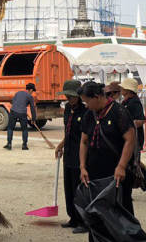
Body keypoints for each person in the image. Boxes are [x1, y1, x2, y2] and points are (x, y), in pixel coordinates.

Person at [78, 81, 136, 215]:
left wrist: (121, 166)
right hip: (94, 172)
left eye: (87, 101)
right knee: (97, 213)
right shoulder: (89, 115)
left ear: (97, 97)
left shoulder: (119, 112)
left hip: (116, 173)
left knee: (120, 211)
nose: (86, 105)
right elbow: (84, 142)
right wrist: (82, 167)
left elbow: (130, 140)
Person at [119, 78, 146, 204]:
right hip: (130, 138)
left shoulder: (134, 103)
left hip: (134, 139)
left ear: (127, 90)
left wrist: (127, 126)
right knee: (131, 165)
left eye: (123, 88)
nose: (121, 89)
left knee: (133, 166)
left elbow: (141, 120)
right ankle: (126, 191)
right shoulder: (127, 102)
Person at [54, 79, 87, 234]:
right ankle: (73, 217)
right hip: (68, 154)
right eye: (67, 96)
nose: (68, 99)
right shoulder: (67, 108)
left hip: (80, 156)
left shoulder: (85, 111)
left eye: (71, 96)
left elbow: (84, 138)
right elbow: (68, 132)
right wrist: (61, 145)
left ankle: (83, 221)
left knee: (78, 189)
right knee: (68, 187)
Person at [4, 82, 37, 150]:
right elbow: (32, 108)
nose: (32, 92)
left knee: (10, 128)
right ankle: (24, 145)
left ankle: (9, 144)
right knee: (24, 129)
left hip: (13, 111)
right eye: (33, 91)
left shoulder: (18, 93)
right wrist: (33, 119)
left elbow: (13, 101)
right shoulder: (30, 96)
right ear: (30, 90)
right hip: (22, 113)